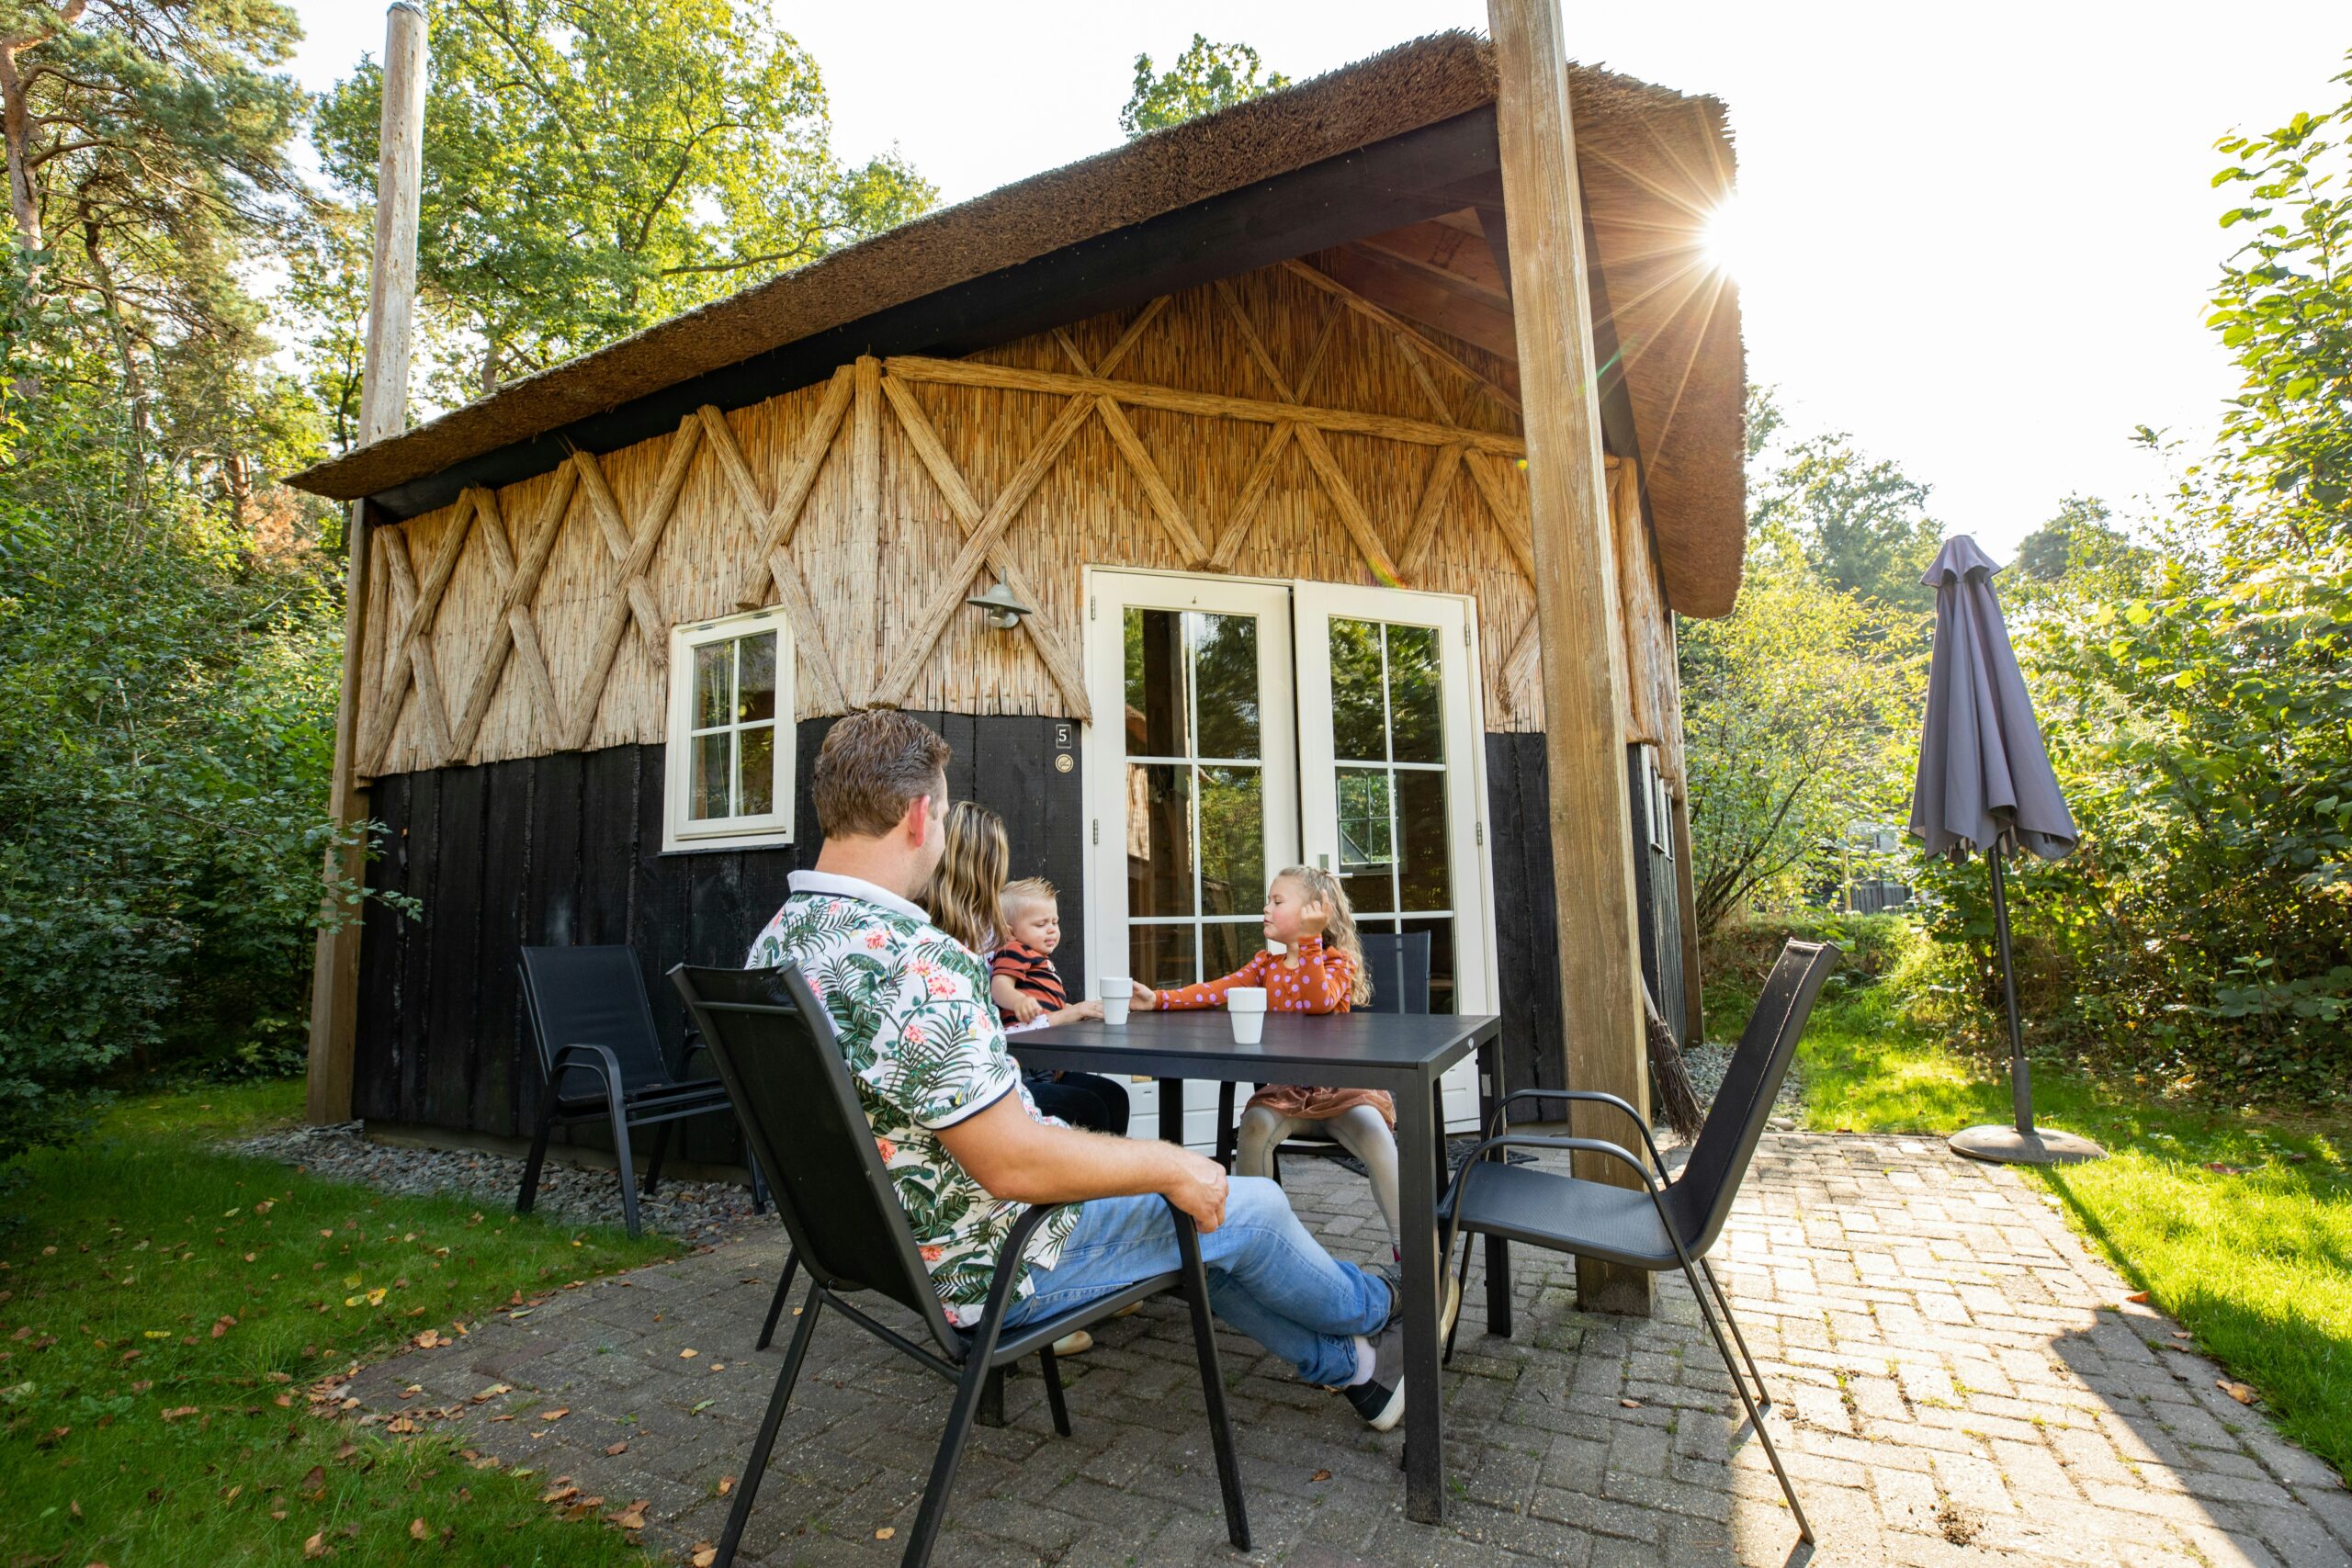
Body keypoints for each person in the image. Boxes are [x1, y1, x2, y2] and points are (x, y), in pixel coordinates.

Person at [745, 710, 1413, 1430]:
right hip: (1004, 1258)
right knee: (1245, 1203)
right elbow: (1013, 1165)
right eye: (940, 817)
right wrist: (1170, 1163)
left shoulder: (779, 941)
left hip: (886, 1251)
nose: (939, 837)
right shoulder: (916, 961)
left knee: (1203, 1224)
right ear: (917, 816)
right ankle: (1384, 1301)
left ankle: (1357, 1369)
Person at [1141, 867, 1404, 1251]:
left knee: (1376, 1133)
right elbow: (1215, 991)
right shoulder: (1265, 966)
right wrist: (1159, 999)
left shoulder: (1337, 963)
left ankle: (1409, 1248)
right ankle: (1259, 1247)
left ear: (1313, 913)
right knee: (1254, 1126)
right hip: (1288, 1094)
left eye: (1277, 901)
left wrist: (1310, 942)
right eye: (1269, 899)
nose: (1266, 908)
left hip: (1342, 1093)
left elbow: (1318, 1001)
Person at [990, 875, 1131, 1137]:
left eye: (1054, 922)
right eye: (1040, 924)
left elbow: (1052, 1004)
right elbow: (999, 986)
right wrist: (1018, 1001)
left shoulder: (1040, 961)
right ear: (1010, 931)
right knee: (1090, 1108)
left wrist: (1079, 1009)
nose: (1051, 930)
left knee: (1115, 1096)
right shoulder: (1014, 950)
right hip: (1029, 1064)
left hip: (1050, 1062)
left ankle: (1112, 1160)